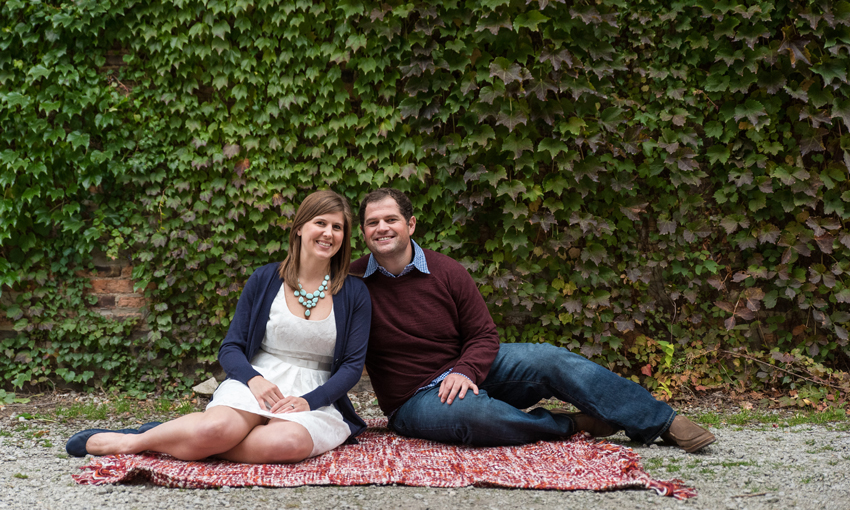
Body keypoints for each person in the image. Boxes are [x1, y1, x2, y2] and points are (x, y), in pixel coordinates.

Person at [349, 188, 715, 453]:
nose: (382, 227)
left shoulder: (447, 271)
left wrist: (464, 371)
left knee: (547, 358)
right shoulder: (352, 282)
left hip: (466, 368)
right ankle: (569, 424)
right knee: (477, 417)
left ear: (410, 224)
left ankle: (662, 422)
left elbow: (482, 335)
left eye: (390, 219)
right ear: (364, 232)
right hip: (414, 398)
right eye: (372, 222)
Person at [66, 190, 371, 463]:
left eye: (337, 227)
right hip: (260, 382)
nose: (328, 233)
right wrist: (254, 379)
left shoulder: (355, 293)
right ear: (300, 228)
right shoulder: (265, 280)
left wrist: (309, 401)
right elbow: (231, 348)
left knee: (285, 442)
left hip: (315, 394)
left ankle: (181, 439)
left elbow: (352, 367)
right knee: (216, 427)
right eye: (321, 223)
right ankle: (135, 442)